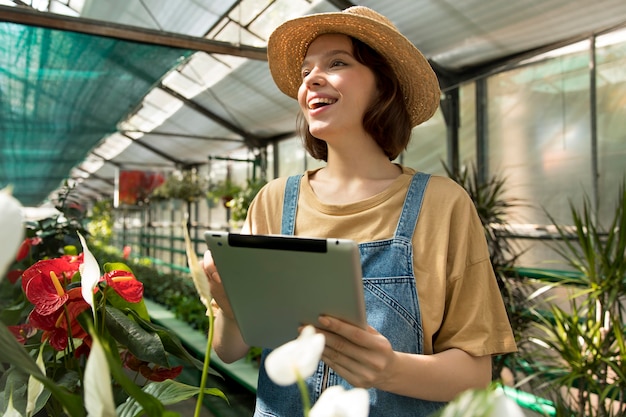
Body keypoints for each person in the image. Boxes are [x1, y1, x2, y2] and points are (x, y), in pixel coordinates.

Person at [203, 5, 517, 417]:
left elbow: (476, 374)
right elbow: (228, 350)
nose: (312, 78)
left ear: (384, 88)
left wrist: (389, 370)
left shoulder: (443, 204)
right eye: (304, 72)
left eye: (337, 63)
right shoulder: (274, 200)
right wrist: (229, 301)